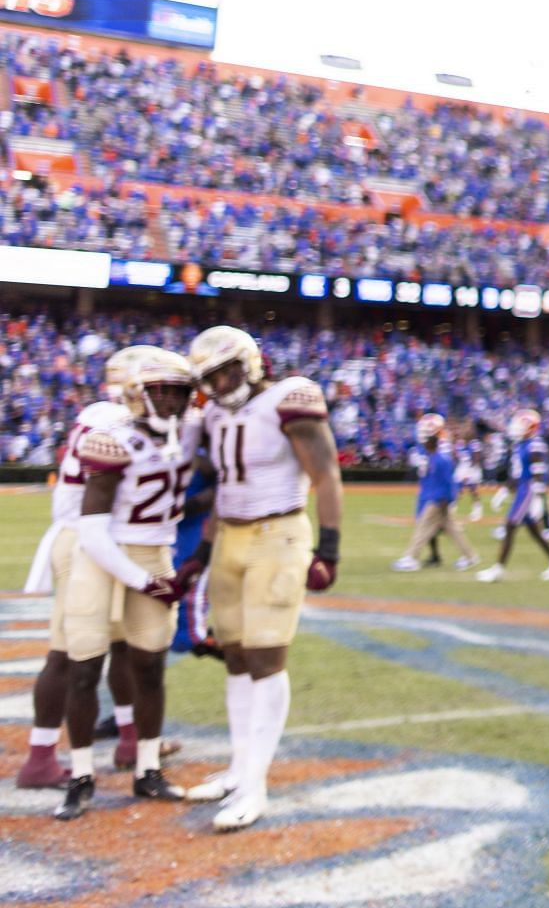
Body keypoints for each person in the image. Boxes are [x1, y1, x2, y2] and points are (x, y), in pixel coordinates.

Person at [183, 325, 344, 831]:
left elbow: (326, 475)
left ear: (248, 363)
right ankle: (238, 769)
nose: (218, 382)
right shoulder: (212, 412)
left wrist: (330, 549)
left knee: (266, 657)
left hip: (278, 532)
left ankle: (255, 785)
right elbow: (226, 483)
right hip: (230, 536)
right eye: (208, 377)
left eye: (225, 370)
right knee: (233, 654)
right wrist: (203, 551)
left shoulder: (288, 398)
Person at [52, 347, 199, 820]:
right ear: (139, 394)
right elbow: (93, 532)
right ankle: (80, 775)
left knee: (150, 666)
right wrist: (144, 581)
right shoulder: (110, 438)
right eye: (162, 392)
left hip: (154, 551)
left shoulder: (192, 432)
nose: (173, 402)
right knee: (83, 668)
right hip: (101, 555)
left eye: (180, 392)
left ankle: (148, 769)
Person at [15, 367, 132, 790]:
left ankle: (131, 739)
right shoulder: (115, 422)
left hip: (97, 537)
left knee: (124, 644)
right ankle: (40, 759)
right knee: (68, 653)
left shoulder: (104, 414)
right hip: (85, 540)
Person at [475, 408, 549, 583]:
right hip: (522, 489)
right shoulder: (521, 444)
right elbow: (517, 474)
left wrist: (539, 499)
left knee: (510, 526)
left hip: (529, 490)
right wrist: (503, 491)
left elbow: (538, 474)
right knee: (535, 532)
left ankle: (498, 570)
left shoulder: (535, 444)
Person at [392, 414, 479, 572]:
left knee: (424, 526)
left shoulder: (442, 457)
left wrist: (448, 498)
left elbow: (448, 480)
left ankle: (411, 557)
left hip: (439, 497)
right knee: (452, 529)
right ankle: (470, 556)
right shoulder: (433, 454)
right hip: (435, 495)